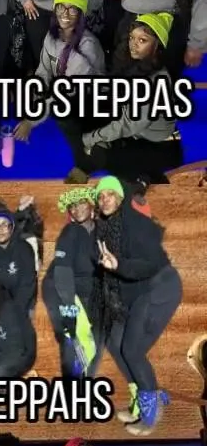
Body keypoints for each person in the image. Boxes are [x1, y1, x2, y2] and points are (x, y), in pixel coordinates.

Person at [90, 175, 182, 432]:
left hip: (159, 289)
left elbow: (150, 265)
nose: (104, 199)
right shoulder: (107, 229)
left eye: (109, 194)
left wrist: (119, 266)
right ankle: (142, 400)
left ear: (120, 197)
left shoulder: (137, 224)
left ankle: (151, 416)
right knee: (113, 341)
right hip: (135, 292)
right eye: (100, 195)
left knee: (131, 349)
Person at [79, 13, 184, 185]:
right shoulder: (136, 64)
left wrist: (94, 137)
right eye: (131, 38)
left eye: (142, 40)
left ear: (157, 45)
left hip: (159, 147)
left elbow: (129, 124)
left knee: (102, 153)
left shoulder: (156, 80)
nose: (133, 45)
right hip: (137, 136)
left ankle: (150, 179)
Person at [13, 0, 105, 163]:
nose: (65, 13)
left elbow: (64, 93)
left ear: (81, 14)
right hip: (62, 88)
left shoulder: (87, 46)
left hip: (88, 98)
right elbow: (44, 71)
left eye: (73, 9)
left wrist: (31, 121)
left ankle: (85, 151)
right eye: (61, 7)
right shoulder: (52, 36)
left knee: (63, 112)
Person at [42, 187, 99, 377]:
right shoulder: (71, 231)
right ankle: (72, 396)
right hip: (59, 288)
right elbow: (63, 272)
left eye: (81, 203)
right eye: (72, 207)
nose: (77, 209)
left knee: (89, 342)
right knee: (71, 338)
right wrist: (68, 309)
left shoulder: (100, 231)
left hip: (82, 289)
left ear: (91, 206)